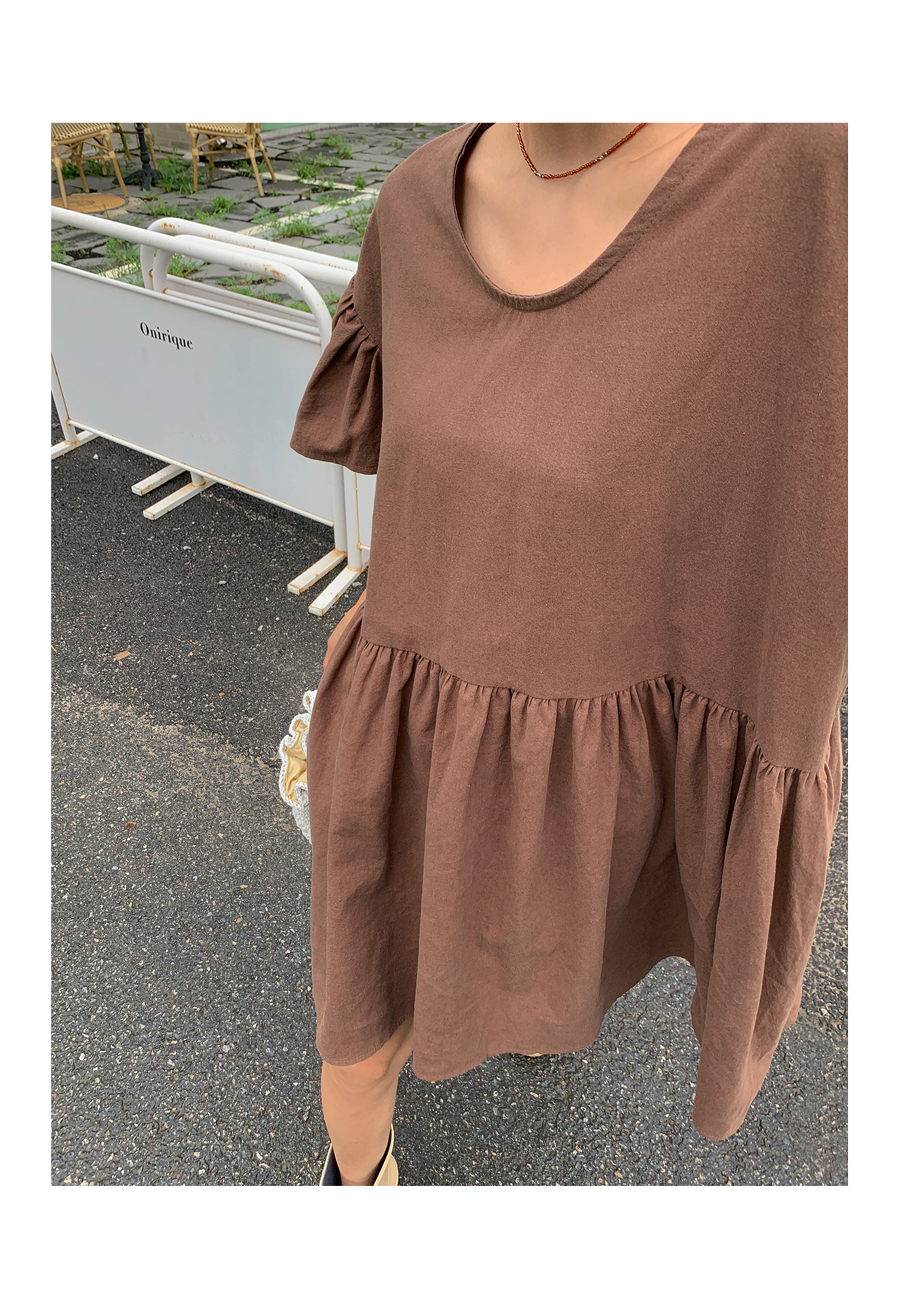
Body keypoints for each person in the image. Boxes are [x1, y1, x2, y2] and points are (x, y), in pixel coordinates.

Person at [287, 122, 847, 1185]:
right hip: (414, 732)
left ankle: (525, 998)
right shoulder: (414, 204)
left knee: (540, 958)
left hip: (640, 717)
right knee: (357, 1048)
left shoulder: (816, 182)